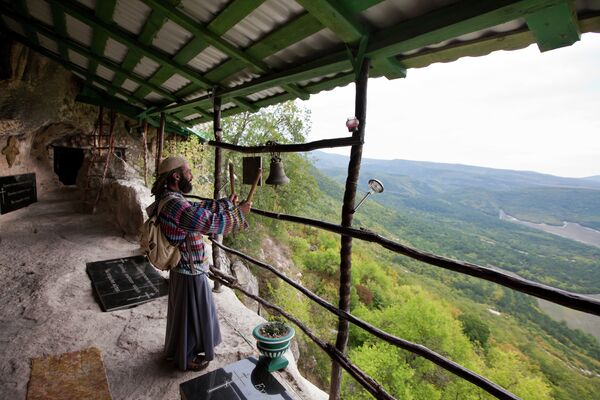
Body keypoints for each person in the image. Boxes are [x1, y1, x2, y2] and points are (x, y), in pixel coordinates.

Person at [148, 156, 251, 371]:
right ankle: (184, 359)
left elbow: (199, 207)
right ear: (176, 176)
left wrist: (226, 204)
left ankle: (182, 352)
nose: (191, 174)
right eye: (188, 171)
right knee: (189, 318)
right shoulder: (175, 204)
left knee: (186, 316)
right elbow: (206, 222)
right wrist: (238, 214)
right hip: (189, 270)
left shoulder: (170, 198)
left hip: (185, 268)